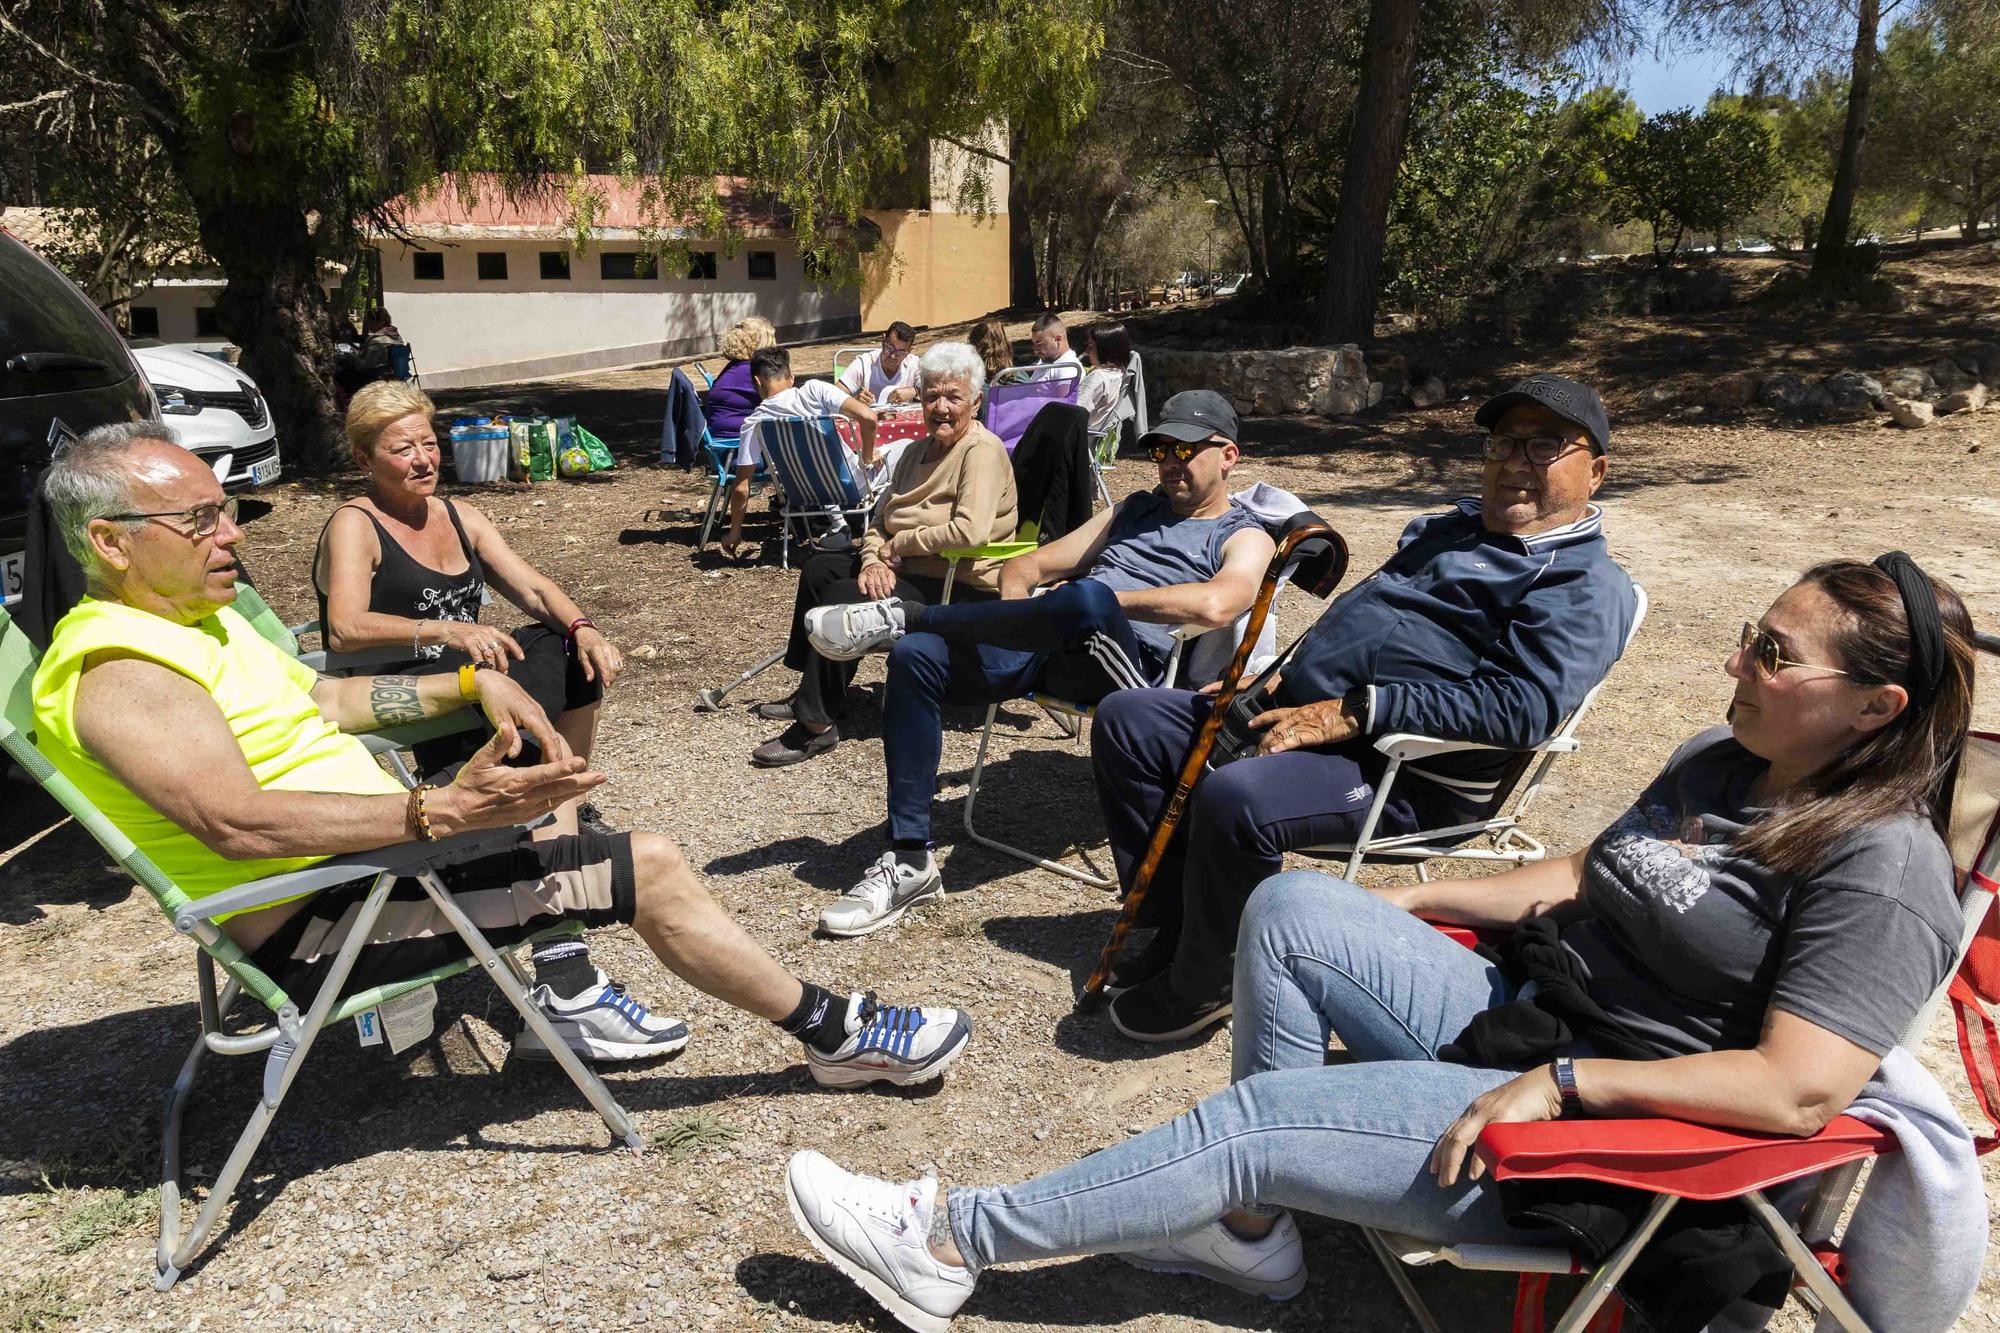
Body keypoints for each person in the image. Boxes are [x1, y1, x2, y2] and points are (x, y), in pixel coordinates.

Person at [782, 555, 1975, 1332]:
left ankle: (949, 1242)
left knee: (1250, 1126)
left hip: (1616, 1131)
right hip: (1532, 1012)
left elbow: (1798, 1089)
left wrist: (1562, 1086)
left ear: (1873, 706)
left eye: (1773, 653)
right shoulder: (1727, 764)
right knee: (1295, 909)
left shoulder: (1881, 864)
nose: (1737, 663)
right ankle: (1250, 1237)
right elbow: (1582, 873)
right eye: (1746, 633)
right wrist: (1408, 905)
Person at [32, 422, 976, 1090]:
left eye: (226, 508)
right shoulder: (121, 669)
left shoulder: (197, 621)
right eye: (198, 521)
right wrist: (435, 812)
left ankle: (567, 975)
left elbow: (319, 695)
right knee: (646, 864)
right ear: (110, 543)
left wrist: (464, 686)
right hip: (326, 924)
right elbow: (235, 823)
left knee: (561, 806)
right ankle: (834, 1034)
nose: (231, 532)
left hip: (371, 871)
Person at [1093, 373, 1639, 1044]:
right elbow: (1359, 621)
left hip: (1405, 770)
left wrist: (1359, 710)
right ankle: (1182, 923)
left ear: (1598, 472)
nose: (1514, 463)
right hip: (1319, 714)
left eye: (1544, 446)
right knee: (1130, 720)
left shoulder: (1582, 582)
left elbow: (1521, 706)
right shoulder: (1455, 530)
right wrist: (1271, 678)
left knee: (1236, 797)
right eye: (1504, 443)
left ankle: (1207, 978)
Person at [800, 390, 1276, 938]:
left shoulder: (1243, 533)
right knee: (915, 658)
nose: (1170, 461)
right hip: (1050, 640)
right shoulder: (1133, 509)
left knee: (1087, 598)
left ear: (1228, 455)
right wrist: (1023, 621)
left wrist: (1090, 602)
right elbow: (1025, 566)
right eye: (1161, 450)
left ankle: (912, 616)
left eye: (1186, 449)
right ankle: (910, 859)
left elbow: (1219, 603)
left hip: (1125, 669)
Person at [749, 342, 1017, 769]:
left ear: (977, 401)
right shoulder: (915, 451)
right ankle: (813, 690)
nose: (941, 407)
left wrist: (898, 547)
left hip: (957, 584)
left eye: (954, 397)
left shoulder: (980, 452)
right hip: (906, 566)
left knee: (843, 593)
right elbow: (879, 519)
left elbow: (971, 531)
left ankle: (816, 724)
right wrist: (874, 557)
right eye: (931, 396)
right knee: (820, 569)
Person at [720, 346, 879, 559]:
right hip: (853, 484)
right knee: (905, 448)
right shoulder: (815, 390)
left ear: (758, 382)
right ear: (791, 378)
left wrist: (735, 533)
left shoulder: (754, 423)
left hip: (804, 493)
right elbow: (869, 418)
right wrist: (867, 459)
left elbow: (741, 487)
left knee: (814, 469)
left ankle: (839, 527)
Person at [702, 316, 776, 441]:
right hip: (738, 437)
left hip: (721, 432)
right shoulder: (751, 371)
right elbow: (780, 399)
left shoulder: (735, 368)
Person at [837, 322, 921, 406]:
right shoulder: (865, 363)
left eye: (901, 353)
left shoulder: (914, 364)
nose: (893, 356)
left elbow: (933, 390)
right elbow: (834, 396)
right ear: (883, 340)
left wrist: (915, 391)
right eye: (890, 347)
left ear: (909, 351)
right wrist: (855, 402)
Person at [1077, 323, 1135, 436]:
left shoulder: (1099, 378)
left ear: (1105, 349)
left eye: (1090, 346)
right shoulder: (1120, 373)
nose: (1087, 352)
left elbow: (1073, 412)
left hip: (1079, 439)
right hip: (1093, 436)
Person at [1017, 312, 1080, 383]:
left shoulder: (1068, 369)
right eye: (1034, 344)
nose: (1035, 350)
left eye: (1040, 344)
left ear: (1058, 339)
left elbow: (1064, 394)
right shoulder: (1046, 361)